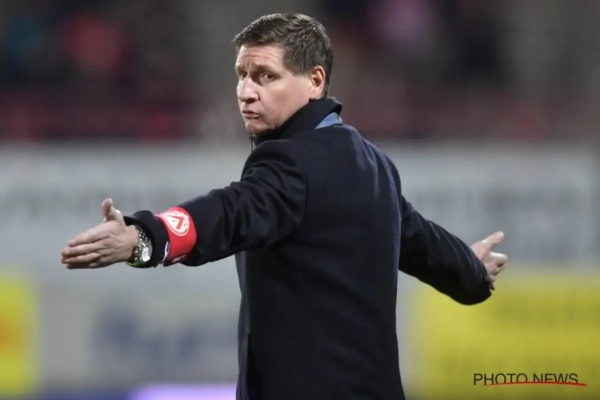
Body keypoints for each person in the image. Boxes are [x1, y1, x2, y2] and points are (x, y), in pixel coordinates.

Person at [60, 13, 508, 400]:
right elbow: (418, 239)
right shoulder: (373, 163)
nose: (245, 91)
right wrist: (469, 270)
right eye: (242, 74)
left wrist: (144, 237)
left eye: (266, 76)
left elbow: (231, 212)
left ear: (315, 81)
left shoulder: (291, 162)